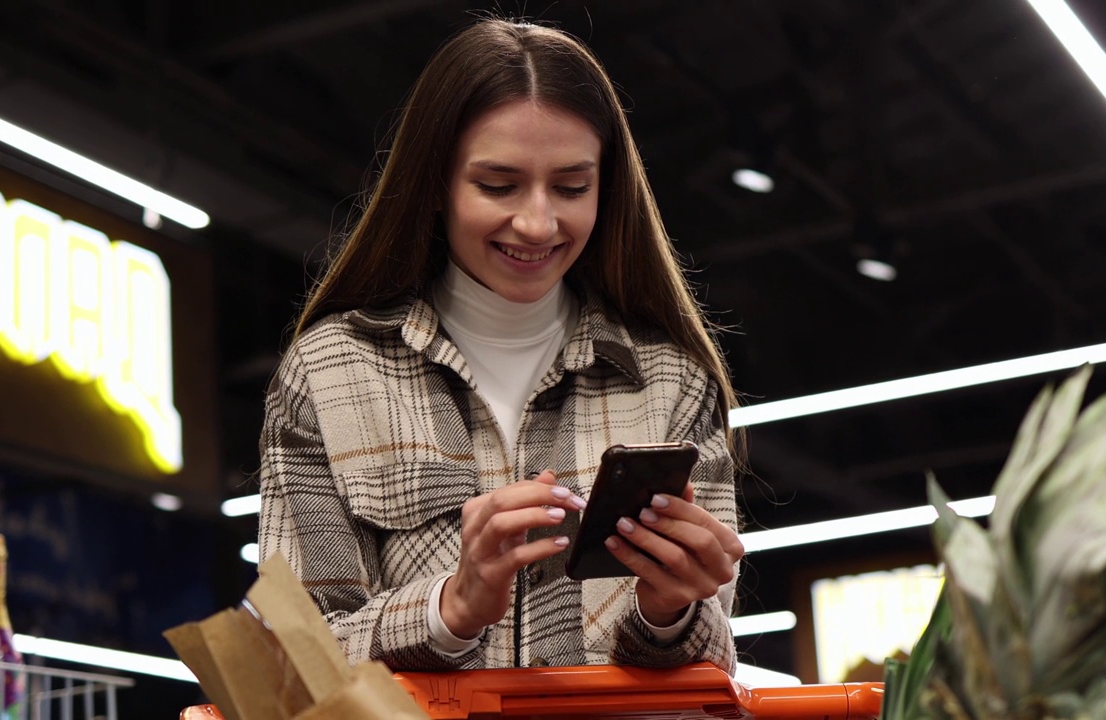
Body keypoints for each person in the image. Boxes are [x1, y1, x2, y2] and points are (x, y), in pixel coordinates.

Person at [257, 18, 744, 673]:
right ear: (434, 185)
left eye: (572, 187)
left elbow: (713, 663)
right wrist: (451, 608)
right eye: (498, 185)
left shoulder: (672, 383)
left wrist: (670, 613)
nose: (539, 222)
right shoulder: (329, 371)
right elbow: (293, 661)